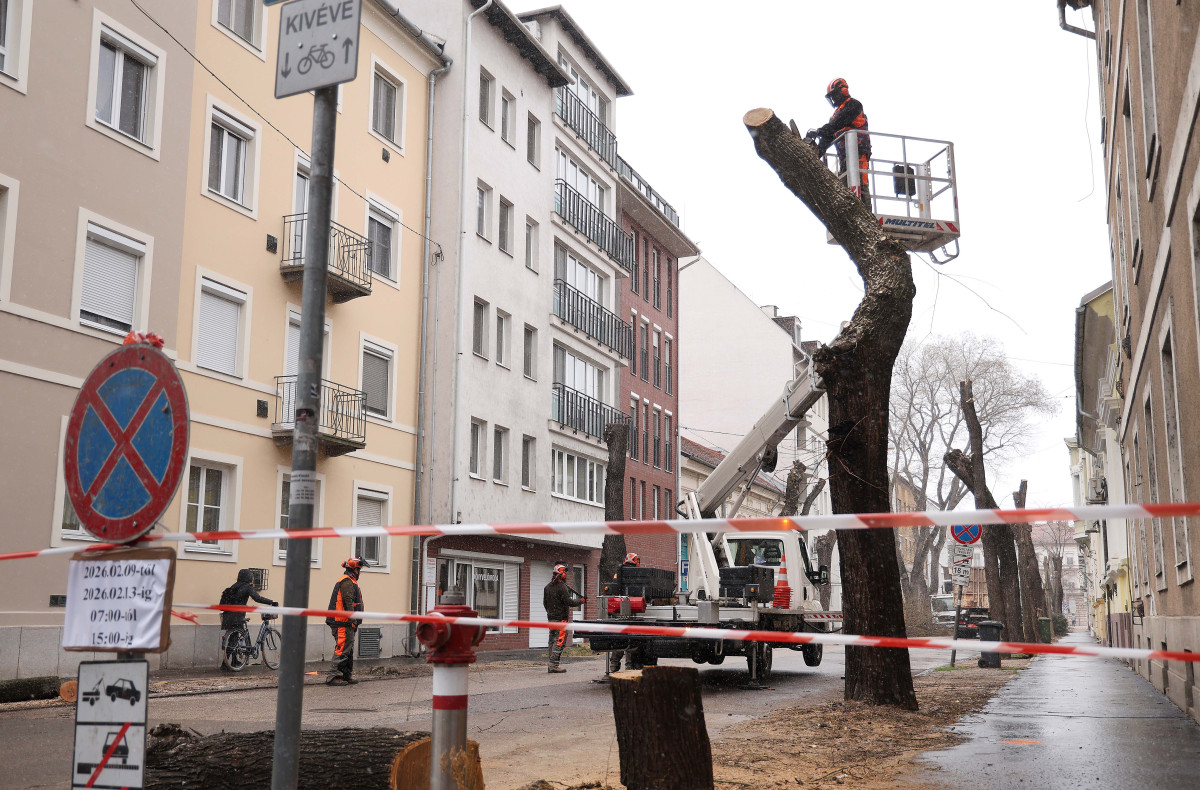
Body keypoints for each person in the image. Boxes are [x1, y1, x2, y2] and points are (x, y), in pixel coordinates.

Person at [806, 78, 872, 209]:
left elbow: (835, 125)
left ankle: (866, 210)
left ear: (844, 91)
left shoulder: (853, 105)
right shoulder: (836, 113)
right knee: (844, 186)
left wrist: (819, 131)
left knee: (860, 183)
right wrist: (818, 151)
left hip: (858, 153)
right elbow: (830, 134)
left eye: (835, 95)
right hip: (845, 156)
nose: (834, 99)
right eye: (832, 96)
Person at [325, 558, 367, 686]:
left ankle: (345, 675)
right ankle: (333, 677)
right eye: (359, 569)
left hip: (346, 622)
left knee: (348, 649)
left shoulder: (350, 581)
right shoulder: (347, 581)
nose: (360, 572)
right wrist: (352, 619)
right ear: (354, 570)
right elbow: (347, 601)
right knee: (342, 648)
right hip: (342, 622)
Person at [544, 563, 584, 673]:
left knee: (552, 641)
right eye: (564, 572)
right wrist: (581, 601)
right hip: (561, 620)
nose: (565, 574)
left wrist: (551, 613)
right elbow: (569, 602)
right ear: (561, 573)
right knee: (559, 642)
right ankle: (553, 665)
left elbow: (545, 603)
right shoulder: (562, 587)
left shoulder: (547, 587)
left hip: (551, 619)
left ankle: (551, 662)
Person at [607, 554, 642, 673]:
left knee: (619, 639)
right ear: (636, 562)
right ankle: (629, 666)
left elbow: (613, 589)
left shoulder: (618, 572)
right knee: (632, 640)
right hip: (632, 610)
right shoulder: (638, 573)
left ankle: (613, 666)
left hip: (619, 610)